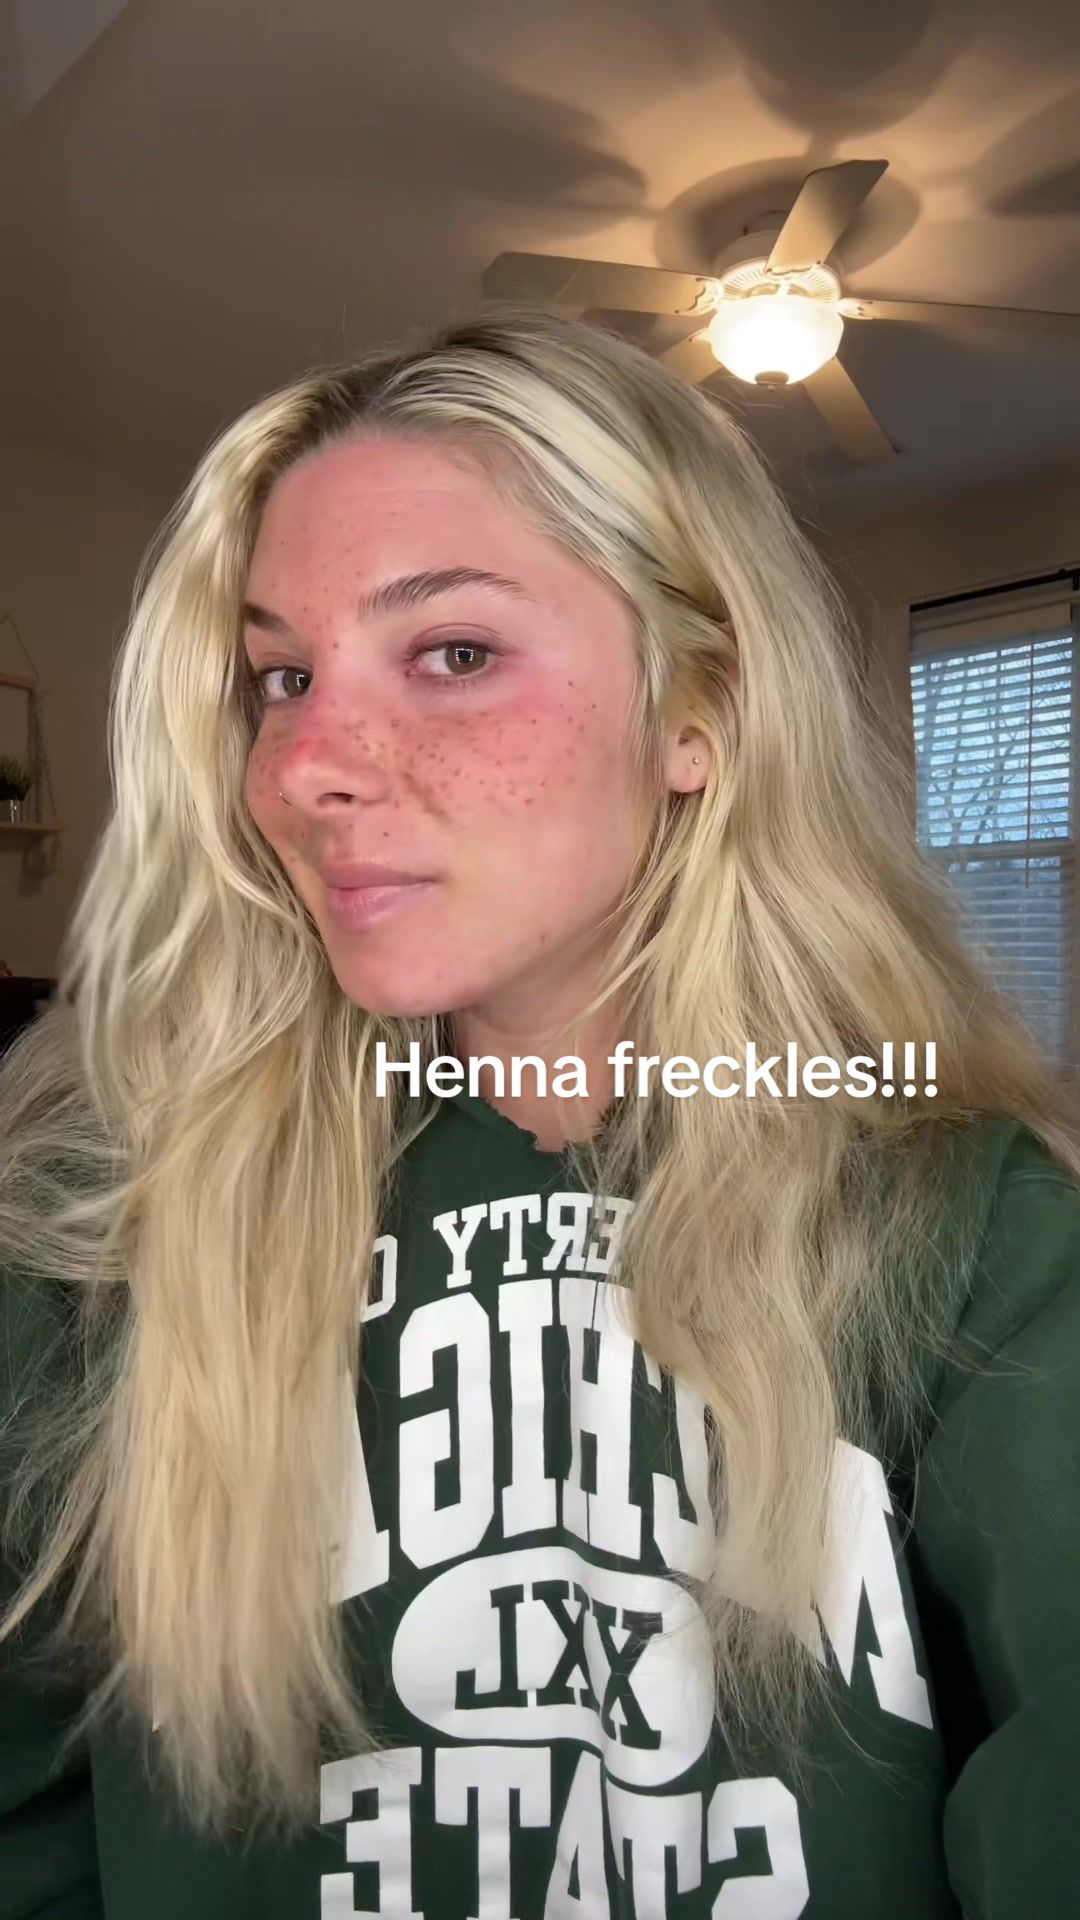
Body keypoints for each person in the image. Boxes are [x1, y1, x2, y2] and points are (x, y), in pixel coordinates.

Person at [0, 305, 1078, 1920]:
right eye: (282, 676)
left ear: (700, 714)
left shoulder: (973, 1218)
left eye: (453, 654)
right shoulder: (104, 1219)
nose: (302, 769)